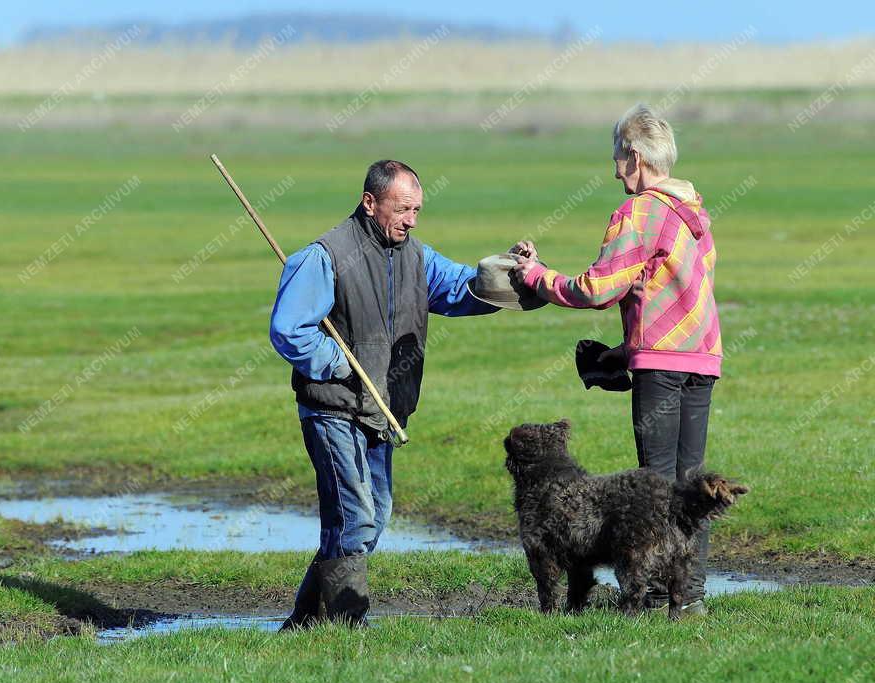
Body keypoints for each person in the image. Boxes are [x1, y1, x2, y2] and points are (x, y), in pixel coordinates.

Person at [512, 104, 722, 616]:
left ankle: (651, 596)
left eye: (616, 156)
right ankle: (687, 597)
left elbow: (599, 288)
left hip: (663, 365)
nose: (613, 169)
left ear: (633, 155)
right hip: (702, 357)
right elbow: (673, 292)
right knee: (689, 484)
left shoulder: (640, 211)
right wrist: (624, 353)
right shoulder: (694, 212)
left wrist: (537, 276)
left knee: (653, 485)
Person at [270, 160, 499, 628]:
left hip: (382, 410)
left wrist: (511, 275)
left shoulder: (417, 257)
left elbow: (462, 290)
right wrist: (338, 363)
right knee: (354, 517)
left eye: (416, 210)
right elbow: (288, 330)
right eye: (402, 209)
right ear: (370, 202)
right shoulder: (323, 257)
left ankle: (306, 621)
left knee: (372, 519)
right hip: (332, 408)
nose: (411, 220)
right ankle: (349, 623)